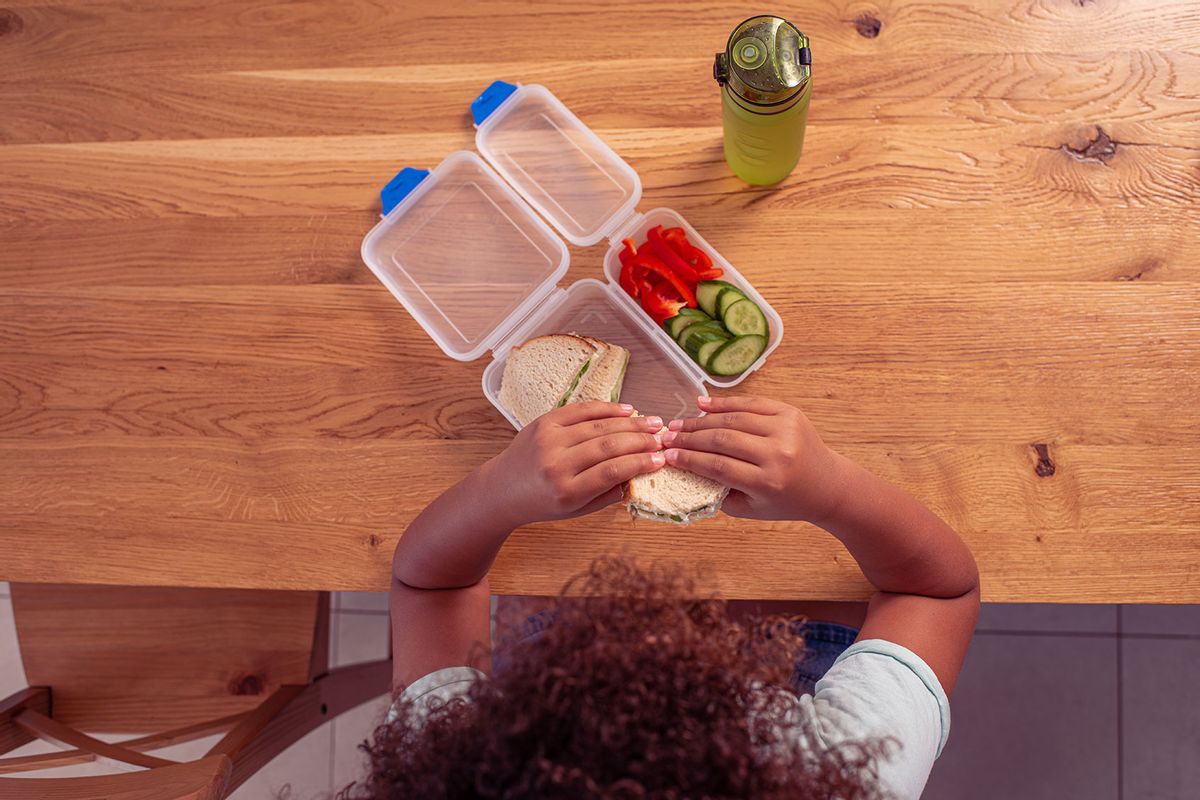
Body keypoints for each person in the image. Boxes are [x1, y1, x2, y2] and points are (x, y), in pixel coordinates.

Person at [341, 396, 979, 799]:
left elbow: (432, 584)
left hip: (554, 658)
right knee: (815, 583)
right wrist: (831, 488)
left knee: (536, 595)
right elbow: (935, 590)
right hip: (802, 655)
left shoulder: (464, 767)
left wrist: (497, 493)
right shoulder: (847, 778)